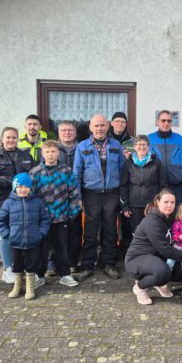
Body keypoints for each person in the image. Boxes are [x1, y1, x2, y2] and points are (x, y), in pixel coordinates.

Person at [73, 115, 125, 281]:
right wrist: (78, 197)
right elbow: (76, 173)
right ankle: (87, 266)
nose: (99, 129)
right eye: (96, 125)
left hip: (111, 193)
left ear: (108, 126)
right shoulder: (82, 146)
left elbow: (123, 171)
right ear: (90, 127)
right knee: (90, 230)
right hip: (91, 194)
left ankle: (108, 264)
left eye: (102, 125)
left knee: (110, 230)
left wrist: (122, 195)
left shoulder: (116, 145)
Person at [125, 190, 182, 305]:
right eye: (166, 202)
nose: (169, 205)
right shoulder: (152, 222)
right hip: (137, 259)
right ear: (157, 202)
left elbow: (177, 238)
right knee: (163, 273)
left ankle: (159, 283)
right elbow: (166, 250)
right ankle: (140, 287)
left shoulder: (170, 218)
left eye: (172, 202)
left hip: (157, 257)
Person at [0, 127, 34, 284]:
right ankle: (7, 269)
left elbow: (32, 175)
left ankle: (19, 267)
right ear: (2, 139)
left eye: (14, 137)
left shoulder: (25, 155)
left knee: (19, 233)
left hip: (21, 201)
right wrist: (9, 183)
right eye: (8, 137)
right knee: (6, 235)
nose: (11, 140)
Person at [30, 140, 81, 287]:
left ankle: (65, 275)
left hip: (61, 216)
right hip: (42, 219)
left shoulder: (66, 171)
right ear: (42, 153)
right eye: (47, 152)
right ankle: (39, 276)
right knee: (41, 249)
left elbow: (74, 194)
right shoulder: (35, 172)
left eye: (53, 151)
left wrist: (72, 213)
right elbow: (30, 196)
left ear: (58, 153)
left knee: (62, 248)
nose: (50, 154)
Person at [0, 173, 51, 300]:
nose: (23, 189)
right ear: (15, 188)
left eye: (26, 187)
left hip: (33, 241)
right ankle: (17, 286)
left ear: (30, 188)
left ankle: (30, 287)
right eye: (20, 187)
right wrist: (8, 235)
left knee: (31, 265)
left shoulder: (37, 202)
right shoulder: (8, 203)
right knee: (17, 265)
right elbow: (0, 221)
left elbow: (45, 220)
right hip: (15, 242)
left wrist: (40, 234)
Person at [120, 134, 167, 231]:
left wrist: (161, 203)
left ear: (148, 147)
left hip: (152, 204)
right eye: (139, 144)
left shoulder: (156, 163)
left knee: (152, 230)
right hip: (134, 205)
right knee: (137, 231)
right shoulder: (128, 163)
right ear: (134, 147)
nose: (141, 147)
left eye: (144, 144)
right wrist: (124, 206)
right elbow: (123, 186)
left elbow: (163, 185)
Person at [149, 110, 182, 204]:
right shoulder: (149, 139)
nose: (166, 123)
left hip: (177, 185)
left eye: (169, 121)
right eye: (163, 120)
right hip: (156, 185)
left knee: (178, 211)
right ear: (157, 122)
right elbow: (141, 157)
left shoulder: (179, 139)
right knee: (157, 211)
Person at [57, 120, 83, 271]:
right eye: (63, 130)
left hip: (76, 195)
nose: (67, 133)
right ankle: (54, 263)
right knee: (56, 230)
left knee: (75, 230)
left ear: (75, 133)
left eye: (70, 130)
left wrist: (80, 197)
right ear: (59, 133)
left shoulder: (82, 148)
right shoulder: (52, 149)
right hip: (56, 196)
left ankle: (72, 261)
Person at [108, 111, 134, 257]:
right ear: (111, 123)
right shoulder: (105, 140)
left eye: (123, 122)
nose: (120, 124)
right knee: (110, 220)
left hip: (127, 185)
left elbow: (138, 161)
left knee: (126, 219)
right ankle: (111, 250)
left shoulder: (132, 141)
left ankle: (126, 250)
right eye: (117, 121)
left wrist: (130, 158)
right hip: (109, 186)